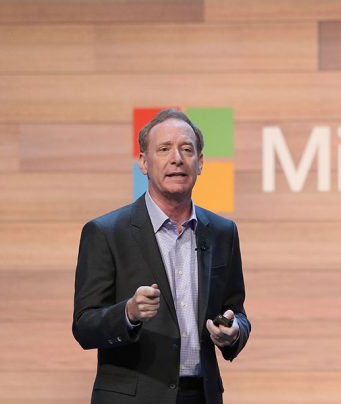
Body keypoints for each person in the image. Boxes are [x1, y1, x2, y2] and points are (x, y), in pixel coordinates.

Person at [73, 108, 250, 404]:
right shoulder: (105, 232)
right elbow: (84, 326)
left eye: (186, 149)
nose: (177, 159)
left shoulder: (222, 232)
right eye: (164, 149)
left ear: (201, 162)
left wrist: (233, 333)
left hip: (201, 395)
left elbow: (237, 313)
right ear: (144, 163)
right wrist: (128, 312)